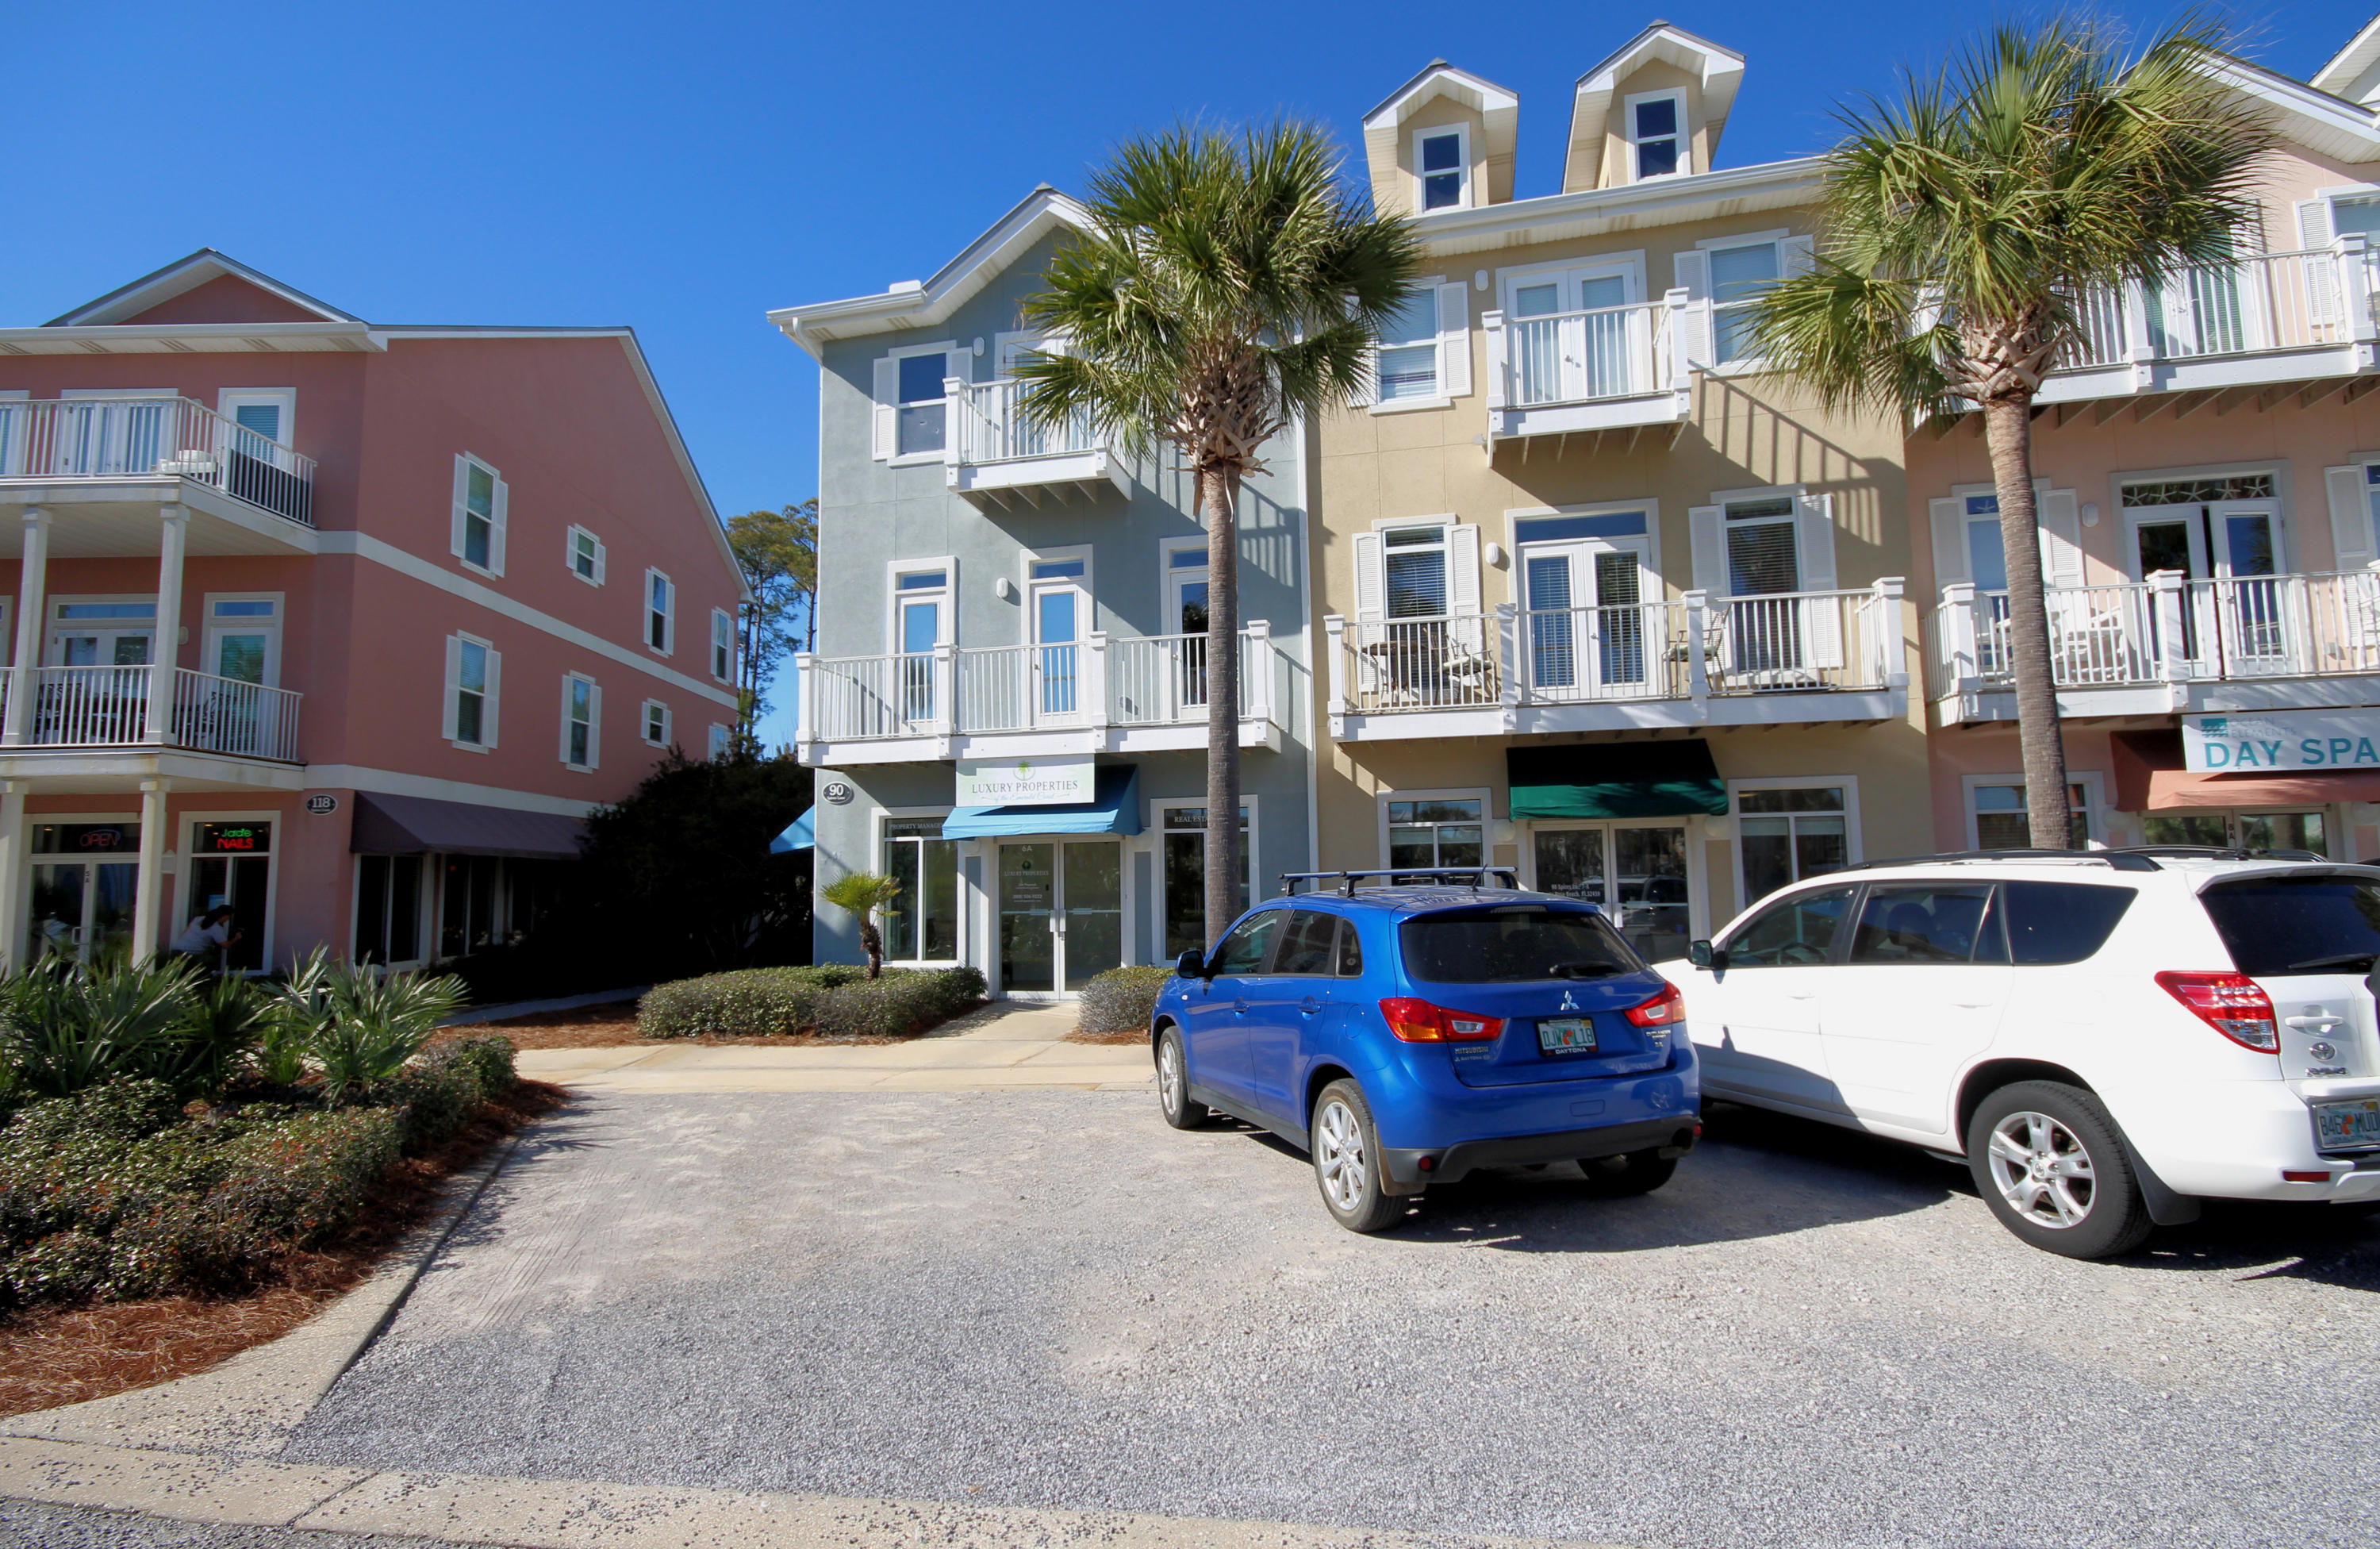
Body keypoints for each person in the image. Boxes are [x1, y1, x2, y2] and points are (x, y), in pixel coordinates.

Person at [168, 905, 240, 968]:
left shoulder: (198, 919)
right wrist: (236, 938)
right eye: (228, 917)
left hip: (176, 951)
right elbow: (225, 945)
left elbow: (185, 932)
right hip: (190, 956)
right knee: (210, 961)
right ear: (225, 916)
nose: (227, 920)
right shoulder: (216, 928)